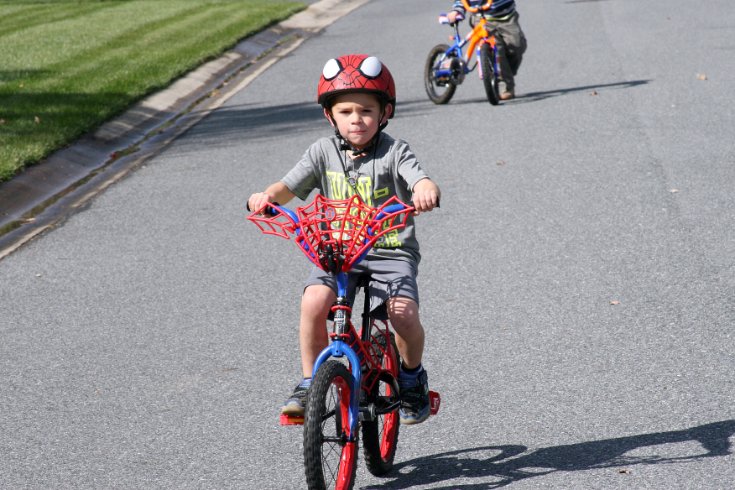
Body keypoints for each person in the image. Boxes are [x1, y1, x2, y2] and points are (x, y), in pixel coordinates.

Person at [247, 54, 441, 425]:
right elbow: (287, 187)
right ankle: (308, 382)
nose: (357, 119)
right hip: (338, 251)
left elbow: (419, 178)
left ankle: (412, 376)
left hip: (390, 250)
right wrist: (267, 197)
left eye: (367, 110)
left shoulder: (394, 151)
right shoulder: (322, 151)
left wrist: (425, 189)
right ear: (330, 116)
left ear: (384, 113)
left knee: (402, 314)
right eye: (347, 111)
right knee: (313, 303)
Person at [446, 0, 527, 100]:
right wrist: (457, 10)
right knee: (497, 49)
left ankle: (506, 73)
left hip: (507, 17)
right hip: (482, 19)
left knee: (517, 45)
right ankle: (505, 85)